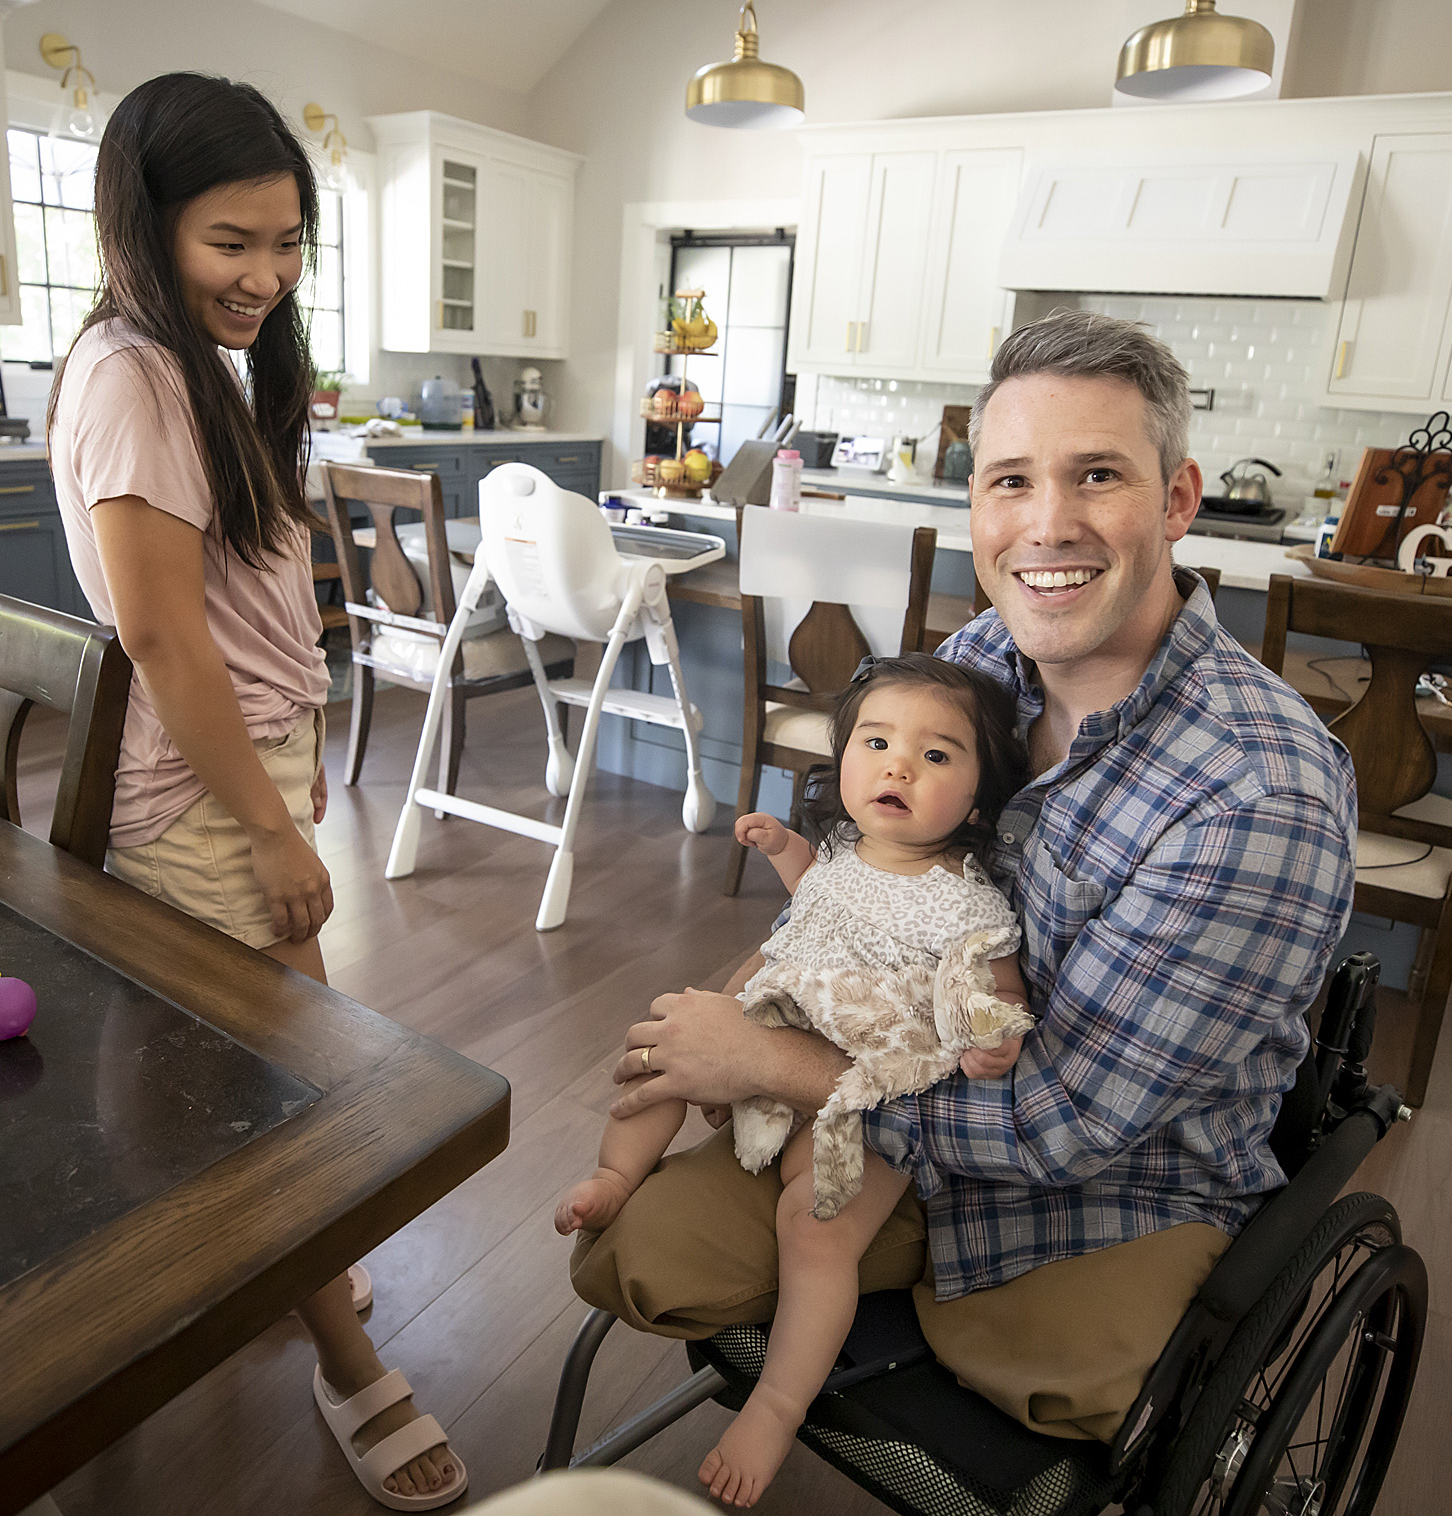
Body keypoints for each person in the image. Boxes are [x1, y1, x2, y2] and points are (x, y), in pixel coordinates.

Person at [570, 310, 1358, 1464]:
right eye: (1009, 480)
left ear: (1179, 498)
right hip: (893, 1099)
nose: (1048, 525)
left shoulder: (1258, 792)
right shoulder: (981, 658)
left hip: (1107, 1187)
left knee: (1054, 1409)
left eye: (1098, 475)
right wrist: (753, 999)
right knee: (632, 1252)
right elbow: (860, 882)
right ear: (974, 504)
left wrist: (766, 1062)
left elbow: (1070, 1120)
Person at [48, 72, 464, 1510]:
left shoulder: (184, 367)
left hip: (238, 768)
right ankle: (347, 1357)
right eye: (233, 241)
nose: (267, 277)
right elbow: (161, 636)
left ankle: (257, 1280)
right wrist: (279, 824)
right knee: (277, 1092)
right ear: (143, 227)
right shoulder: (136, 375)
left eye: (288, 243)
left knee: (247, 1068)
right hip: (207, 794)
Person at [556, 655, 1034, 1506]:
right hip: (779, 1025)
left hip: (865, 1094)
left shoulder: (970, 901)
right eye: (878, 742)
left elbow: (990, 986)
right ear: (843, 754)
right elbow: (823, 895)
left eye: (936, 756)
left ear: (979, 791)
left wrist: (992, 1036)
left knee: (817, 1233)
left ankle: (776, 1404)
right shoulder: (846, 853)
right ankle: (614, 1171)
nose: (897, 766)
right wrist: (785, 851)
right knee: (667, 1047)